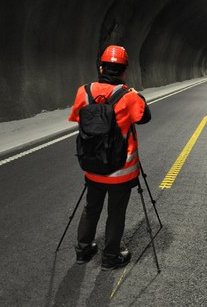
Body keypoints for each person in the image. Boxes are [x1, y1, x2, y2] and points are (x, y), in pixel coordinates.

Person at [68, 45, 151, 270]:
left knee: (91, 207)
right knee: (116, 213)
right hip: (120, 172)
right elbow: (145, 117)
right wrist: (135, 95)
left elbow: (78, 118)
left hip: (93, 165)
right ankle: (110, 256)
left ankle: (83, 249)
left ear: (101, 66)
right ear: (124, 71)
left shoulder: (83, 92)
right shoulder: (129, 96)